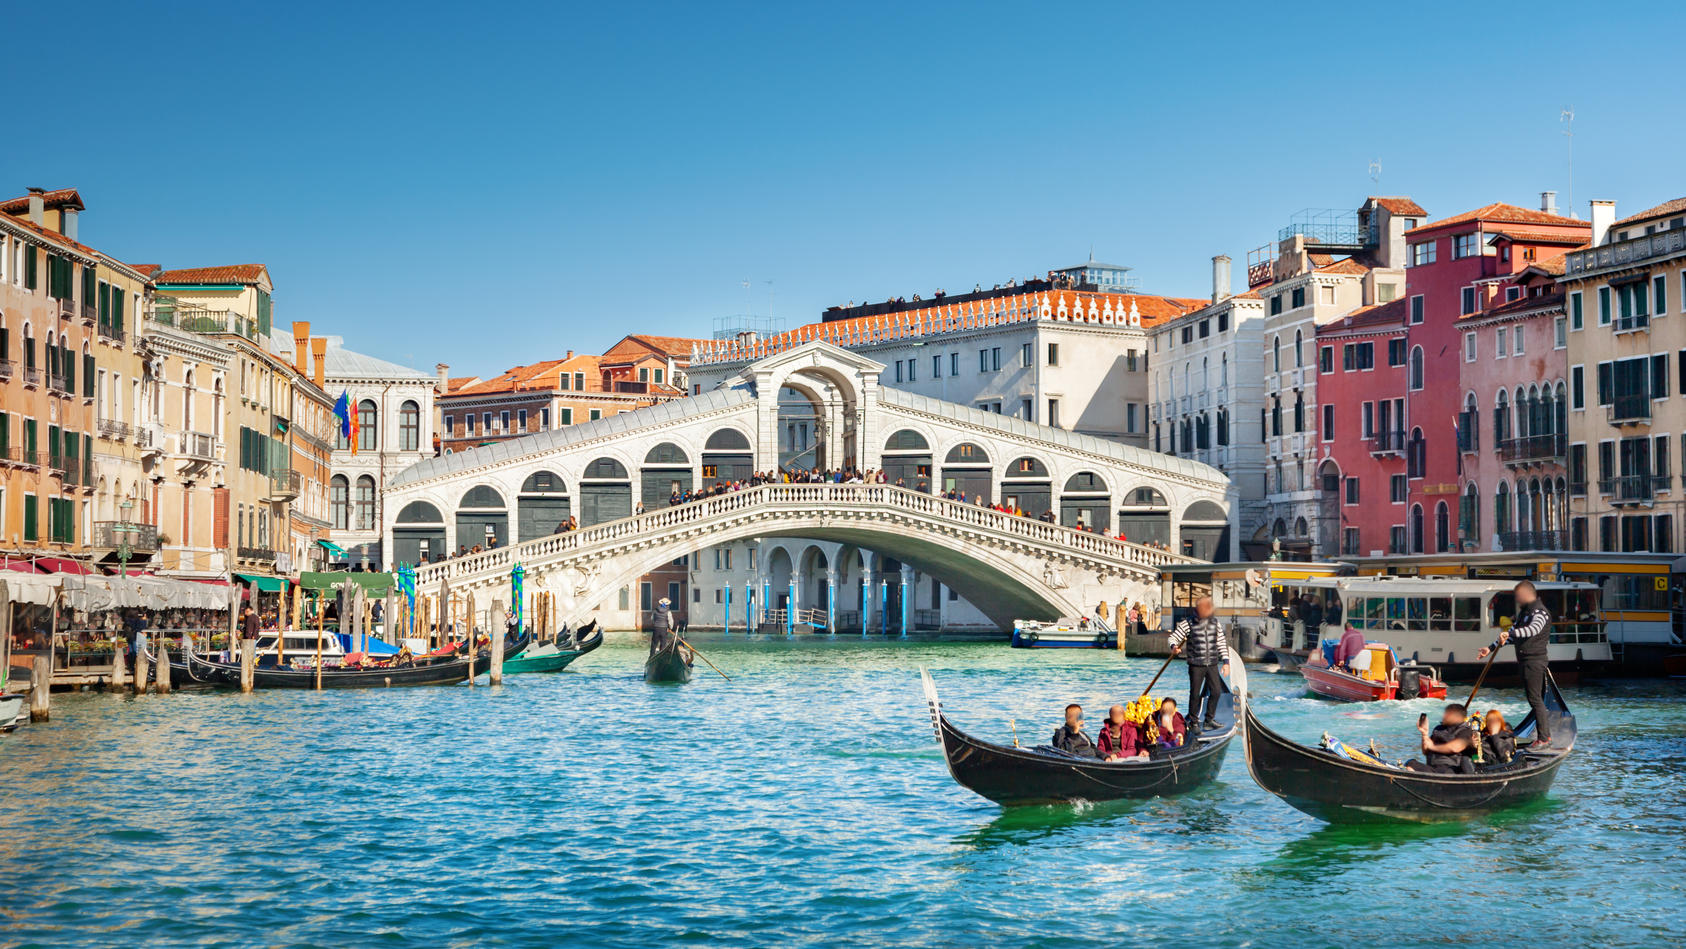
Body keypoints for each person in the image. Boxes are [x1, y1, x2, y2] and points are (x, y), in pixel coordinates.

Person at [1476, 580, 1554, 748]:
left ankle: (1544, 738)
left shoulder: (1540, 612)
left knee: (1535, 700)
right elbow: (1511, 636)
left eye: (1519, 596)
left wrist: (1512, 632)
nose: (1517, 600)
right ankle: (1542, 734)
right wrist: (1490, 649)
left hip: (1534, 661)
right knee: (1534, 699)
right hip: (1525, 661)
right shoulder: (1524, 613)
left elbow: (1533, 630)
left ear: (1527, 594)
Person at [1168, 596, 1227, 731]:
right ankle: (1194, 722)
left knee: (1216, 692)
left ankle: (1209, 720)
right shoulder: (1187, 623)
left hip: (1212, 663)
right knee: (1195, 694)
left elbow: (1221, 642)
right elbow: (1173, 637)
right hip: (1196, 664)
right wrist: (1173, 647)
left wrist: (1226, 662)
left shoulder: (1215, 623)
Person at [1407, 703, 1477, 774]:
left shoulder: (1465, 730)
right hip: (1433, 767)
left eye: (1448, 714)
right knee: (1411, 764)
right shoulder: (1438, 729)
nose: (1444, 716)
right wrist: (1424, 733)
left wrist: (1432, 746)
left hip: (1451, 768)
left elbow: (1456, 747)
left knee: (1442, 771)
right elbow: (1425, 751)